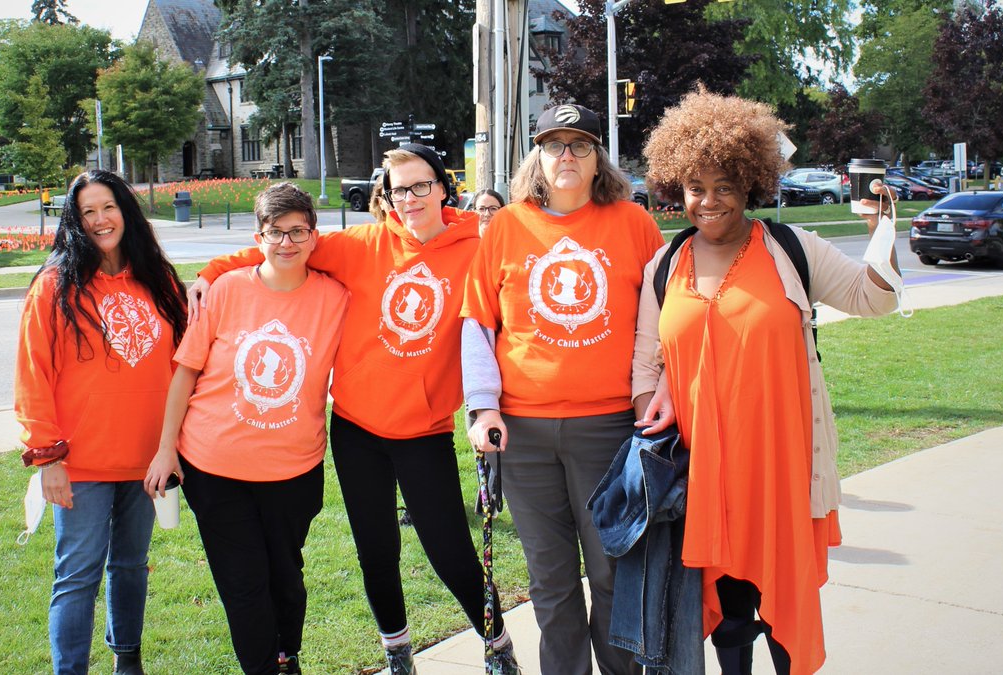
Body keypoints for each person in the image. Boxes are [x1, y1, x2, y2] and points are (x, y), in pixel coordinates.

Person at [187, 145, 519, 674]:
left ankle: (498, 647)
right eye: (397, 189)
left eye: (420, 185)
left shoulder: (475, 250)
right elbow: (285, 245)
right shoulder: (363, 244)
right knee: (376, 552)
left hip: (424, 429)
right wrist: (214, 270)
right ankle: (397, 653)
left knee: (451, 551)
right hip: (357, 429)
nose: (409, 198)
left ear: (443, 187)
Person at [634, 88, 901, 675]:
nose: (709, 202)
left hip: (778, 466)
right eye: (696, 188)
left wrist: (882, 232)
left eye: (725, 187)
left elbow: (875, 299)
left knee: (782, 602)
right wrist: (652, 403)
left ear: (750, 185)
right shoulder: (664, 264)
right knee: (730, 610)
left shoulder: (790, 249)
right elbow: (645, 362)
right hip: (704, 471)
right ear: (677, 188)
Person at [461, 103, 665, 674]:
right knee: (550, 581)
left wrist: (661, 388)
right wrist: (482, 407)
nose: (567, 155)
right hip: (522, 434)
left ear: (598, 157)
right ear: (539, 156)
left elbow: (664, 319)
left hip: (609, 429)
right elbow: (478, 324)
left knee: (611, 571)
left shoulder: (634, 223)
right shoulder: (506, 226)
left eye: (580, 144)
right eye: (554, 145)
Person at [146, 183, 348, 675]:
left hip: (293, 469)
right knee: (243, 583)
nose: (286, 242)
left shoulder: (336, 299)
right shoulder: (226, 290)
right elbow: (185, 372)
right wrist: (165, 449)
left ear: (314, 235)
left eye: (297, 231)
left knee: (286, 579)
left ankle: (287, 655)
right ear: (259, 237)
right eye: (275, 232)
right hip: (214, 466)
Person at [14, 169, 188, 675]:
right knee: (77, 577)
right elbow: (32, 375)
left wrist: (173, 445)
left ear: (125, 211)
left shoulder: (158, 280)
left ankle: (127, 659)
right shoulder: (54, 286)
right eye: (87, 211)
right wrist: (47, 458)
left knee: (131, 565)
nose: (99, 219)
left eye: (108, 207)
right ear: (74, 220)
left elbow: (185, 364)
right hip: (80, 464)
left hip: (148, 459)